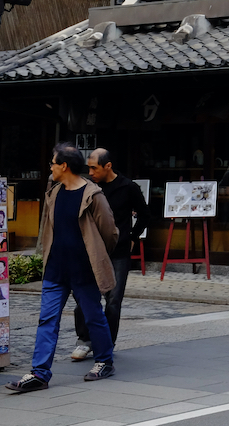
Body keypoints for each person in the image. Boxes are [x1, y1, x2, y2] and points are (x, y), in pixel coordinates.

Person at [5, 144, 118, 393]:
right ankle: (40, 373)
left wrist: (97, 256)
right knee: (47, 319)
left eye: (53, 163)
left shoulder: (93, 195)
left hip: (83, 270)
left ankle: (105, 361)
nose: (51, 167)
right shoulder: (54, 191)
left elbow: (110, 232)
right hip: (55, 269)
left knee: (93, 317)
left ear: (64, 166)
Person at [69, 148, 150, 363]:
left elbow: (145, 214)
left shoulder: (128, 187)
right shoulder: (89, 187)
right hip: (91, 250)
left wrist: (133, 235)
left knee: (113, 300)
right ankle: (84, 340)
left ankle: (106, 343)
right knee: (84, 297)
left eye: (94, 168)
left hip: (119, 252)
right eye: (89, 168)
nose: (91, 172)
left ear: (108, 166)